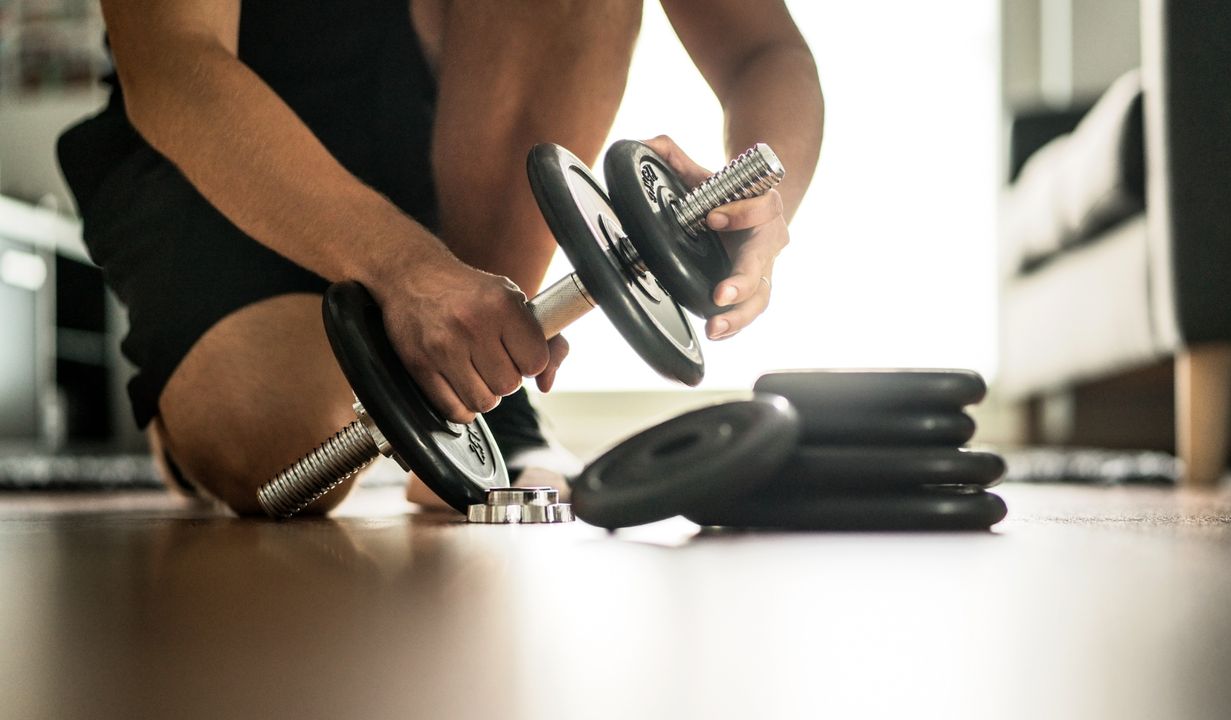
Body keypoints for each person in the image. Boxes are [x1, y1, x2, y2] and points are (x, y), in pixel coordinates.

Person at [57, 0, 824, 515]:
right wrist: (403, 268)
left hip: (443, 171)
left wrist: (760, 189)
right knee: (287, 448)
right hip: (229, 166)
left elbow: (763, 49)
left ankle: (486, 393)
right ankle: (191, 409)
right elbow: (172, 63)